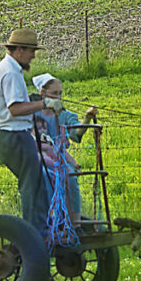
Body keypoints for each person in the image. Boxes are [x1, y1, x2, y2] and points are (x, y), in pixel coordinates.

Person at [0, 29, 55, 227]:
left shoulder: (9, 68)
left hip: (13, 137)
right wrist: (45, 104)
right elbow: (15, 109)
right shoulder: (10, 72)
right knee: (32, 186)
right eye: (31, 51)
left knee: (35, 183)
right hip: (14, 137)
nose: (33, 56)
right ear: (18, 50)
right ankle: (36, 234)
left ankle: (37, 230)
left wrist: (35, 101)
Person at [32, 73, 100, 228]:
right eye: (55, 93)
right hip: (38, 157)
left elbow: (76, 134)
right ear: (43, 94)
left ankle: (75, 223)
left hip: (59, 158)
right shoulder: (33, 114)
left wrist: (87, 118)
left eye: (61, 93)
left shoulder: (66, 115)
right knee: (43, 176)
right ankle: (45, 218)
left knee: (69, 176)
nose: (59, 97)